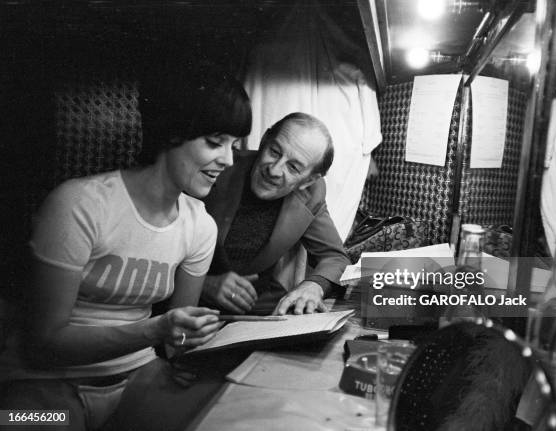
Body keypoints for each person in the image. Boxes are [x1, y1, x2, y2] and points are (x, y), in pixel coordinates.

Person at [0, 62, 252, 431]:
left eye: (234, 146)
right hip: (45, 384)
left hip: (139, 380)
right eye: (215, 142)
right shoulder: (79, 204)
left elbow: (176, 339)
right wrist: (154, 331)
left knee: (237, 417)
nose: (228, 160)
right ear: (172, 133)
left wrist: (203, 340)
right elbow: (43, 343)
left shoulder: (200, 227)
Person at [200, 112, 350, 316]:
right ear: (264, 141)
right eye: (274, 151)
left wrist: (314, 286)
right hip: (191, 302)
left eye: (293, 167)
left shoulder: (311, 193)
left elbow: (335, 257)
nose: (274, 170)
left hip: (258, 308)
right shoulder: (218, 166)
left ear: (308, 180)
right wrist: (205, 283)